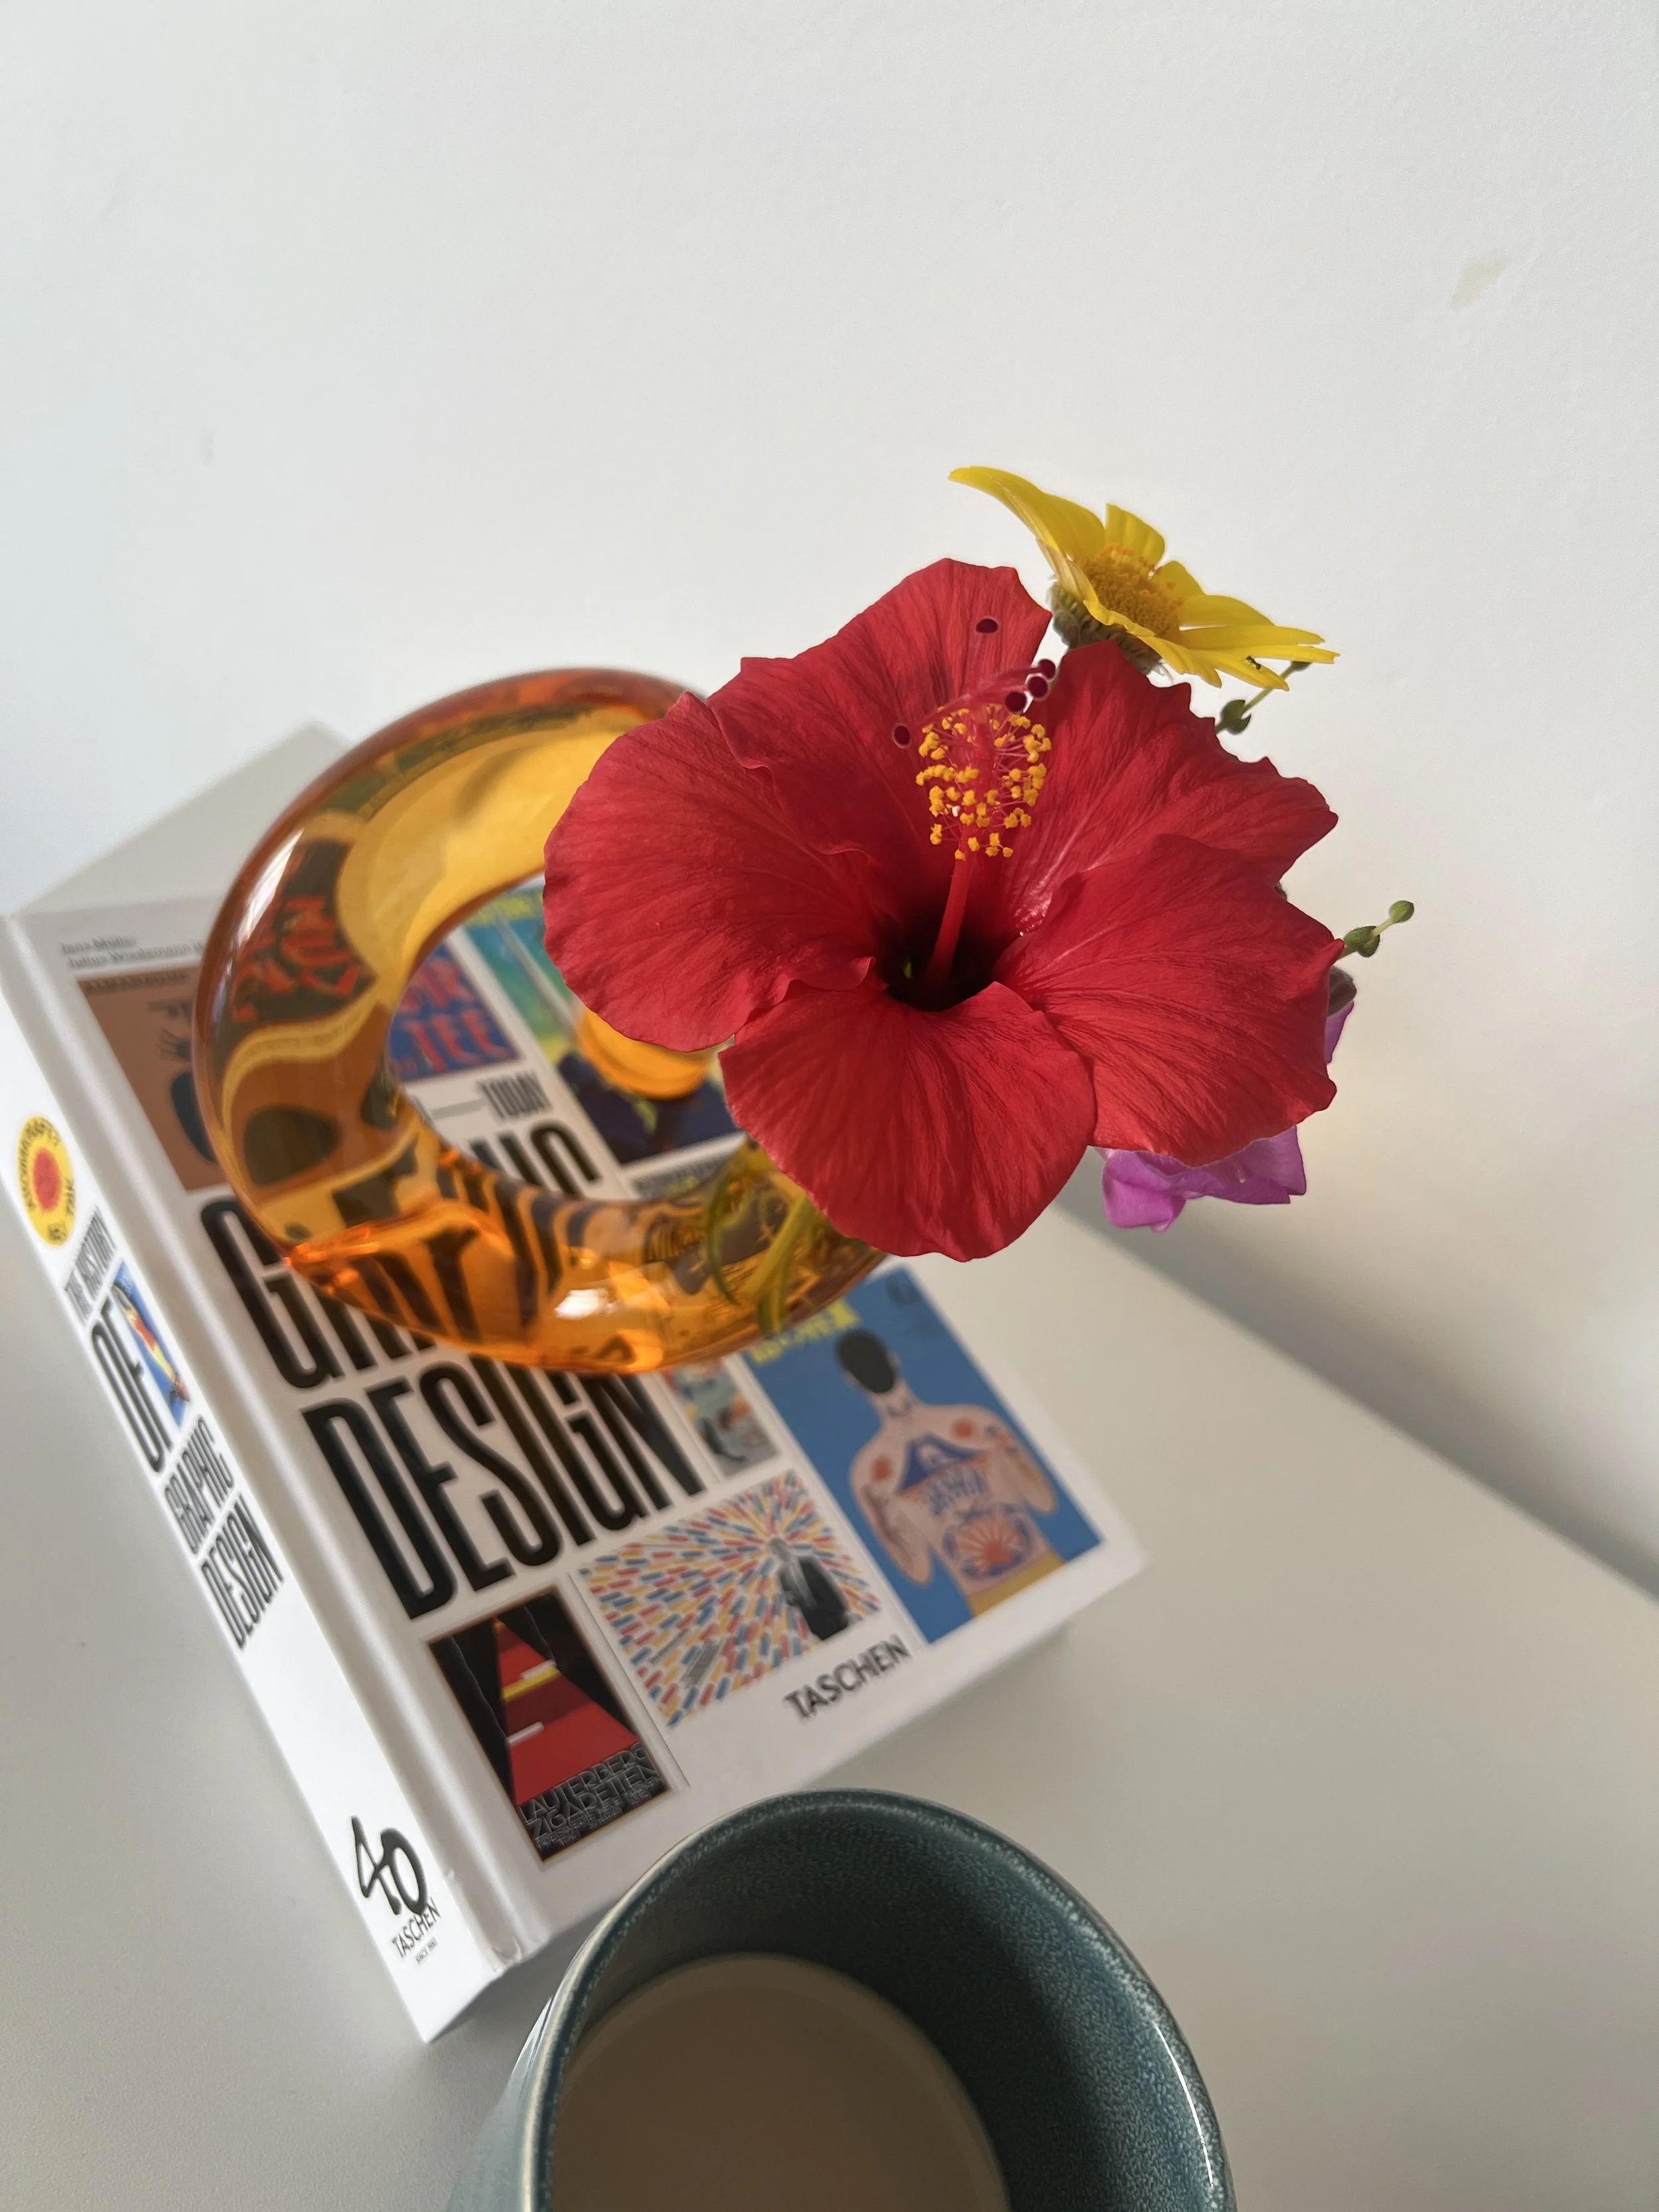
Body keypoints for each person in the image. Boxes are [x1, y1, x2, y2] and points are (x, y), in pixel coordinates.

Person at [837, 1329, 1060, 1617]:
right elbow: (918, 1570)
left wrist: (1006, 1453)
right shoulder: (868, 1473)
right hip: (986, 1600)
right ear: (892, 1359)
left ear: (852, 1380)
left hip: (1044, 1569)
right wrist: (886, 1517)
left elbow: (1043, 1500)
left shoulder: (976, 1422)